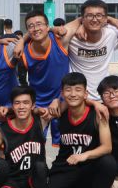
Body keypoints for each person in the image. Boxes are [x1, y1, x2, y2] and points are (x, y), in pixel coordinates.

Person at [41, 72, 115, 188]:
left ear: (85, 93)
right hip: (65, 166)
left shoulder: (98, 114)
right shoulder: (60, 110)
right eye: (68, 90)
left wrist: (84, 155)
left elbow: (107, 147)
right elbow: (40, 117)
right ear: (62, 93)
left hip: (88, 167)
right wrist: (54, 101)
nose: (73, 94)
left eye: (78, 90)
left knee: (108, 162)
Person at [16, 10, 76, 148]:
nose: (36, 28)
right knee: (33, 147)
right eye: (31, 26)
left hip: (62, 101)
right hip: (38, 105)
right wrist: (22, 40)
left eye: (39, 24)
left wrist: (55, 29)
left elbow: (80, 21)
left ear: (47, 26)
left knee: (67, 146)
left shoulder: (60, 40)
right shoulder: (23, 51)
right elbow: (22, 81)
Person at [60, 0, 118, 100]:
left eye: (99, 15)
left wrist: (109, 19)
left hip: (104, 97)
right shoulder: (73, 38)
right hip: (79, 99)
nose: (94, 19)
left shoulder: (111, 34)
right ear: (82, 18)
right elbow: (63, 32)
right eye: (89, 16)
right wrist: (79, 22)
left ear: (105, 18)